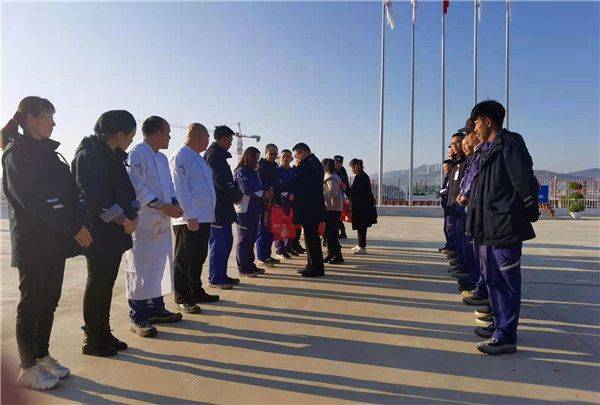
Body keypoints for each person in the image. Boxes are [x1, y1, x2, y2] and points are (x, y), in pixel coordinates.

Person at [1, 96, 92, 390]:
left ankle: (42, 355)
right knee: (32, 303)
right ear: (30, 119)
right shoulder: (16, 154)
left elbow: (72, 192)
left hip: (55, 241)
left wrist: (82, 221)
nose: (53, 123)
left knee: (49, 301)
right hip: (32, 243)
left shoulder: (52, 155)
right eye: (48, 117)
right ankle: (27, 367)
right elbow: (32, 201)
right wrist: (72, 226)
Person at [466, 100, 539, 355]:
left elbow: (524, 182)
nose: (475, 129)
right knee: (494, 281)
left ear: (488, 121)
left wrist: (528, 212)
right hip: (489, 228)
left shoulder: (509, 144)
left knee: (507, 283)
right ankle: (499, 325)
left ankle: (506, 336)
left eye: (477, 123)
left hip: (505, 227)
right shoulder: (488, 150)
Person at [72, 110, 139, 357]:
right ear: (120, 133)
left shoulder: (114, 156)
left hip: (117, 231)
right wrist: (123, 220)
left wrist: (134, 214)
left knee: (107, 283)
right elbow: (94, 199)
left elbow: (128, 191)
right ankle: (92, 337)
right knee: (97, 282)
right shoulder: (89, 155)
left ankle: (104, 332)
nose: (131, 139)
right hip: (99, 232)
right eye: (131, 135)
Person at [126, 116, 184, 338]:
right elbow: (136, 187)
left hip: (161, 220)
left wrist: (174, 203)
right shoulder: (137, 153)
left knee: (159, 264)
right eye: (167, 132)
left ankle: (156, 308)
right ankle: (138, 316)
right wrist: (161, 205)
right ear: (157, 133)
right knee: (140, 266)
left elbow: (168, 185)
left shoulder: (161, 158)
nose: (169, 137)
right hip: (144, 220)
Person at [169, 123, 219, 315]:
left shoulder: (198, 158)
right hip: (188, 218)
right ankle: (182, 297)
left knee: (198, 256)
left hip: (203, 217)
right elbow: (179, 188)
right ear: (199, 137)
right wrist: (189, 215)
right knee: (184, 258)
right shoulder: (181, 157)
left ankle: (195, 291)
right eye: (207, 137)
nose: (208, 141)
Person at [204, 125, 244, 289]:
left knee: (226, 242)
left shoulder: (218, 155)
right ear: (224, 138)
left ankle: (222, 275)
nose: (231, 143)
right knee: (219, 244)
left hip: (223, 207)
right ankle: (215, 278)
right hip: (217, 209)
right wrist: (236, 195)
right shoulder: (215, 156)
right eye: (230, 139)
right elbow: (222, 181)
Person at [234, 147, 273, 277]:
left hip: (255, 210)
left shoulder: (254, 173)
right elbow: (246, 189)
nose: (257, 161)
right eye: (255, 158)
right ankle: (243, 268)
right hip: (245, 211)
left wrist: (267, 190)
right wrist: (263, 193)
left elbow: (259, 187)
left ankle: (250, 264)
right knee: (244, 240)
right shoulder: (241, 171)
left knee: (251, 239)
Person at [290, 143, 326, 277]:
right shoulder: (313, 163)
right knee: (310, 238)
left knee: (312, 239)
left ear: (302, 152)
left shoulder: (309, 165)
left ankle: (316, 267)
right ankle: (312, 264)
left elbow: (296, 182)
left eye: (296, 156)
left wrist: (276, 188)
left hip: (310, 208)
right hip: (311, 207)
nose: (296, 159)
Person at [256, 144, 283, 267]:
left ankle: (267, 255)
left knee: (272, 229)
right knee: (264, 230)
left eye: (275, 154)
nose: (273, 156)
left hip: (275, 202)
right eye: (271, 154)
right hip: (265, 204)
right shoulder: (261, 167)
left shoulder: (275, 167)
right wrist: (268, 189)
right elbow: (260, 184)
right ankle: (262, 257)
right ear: (266, 153)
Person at [347, 159, 377, 254]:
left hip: (362, 207)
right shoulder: (362, 176)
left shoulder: (360, 178)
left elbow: (354, 191)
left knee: (362, 226)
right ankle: (360, 244)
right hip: (362, 206)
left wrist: (346, 189)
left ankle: (362, 246)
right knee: (360, 226)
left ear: (354, 167)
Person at [274, 149, 297, 258]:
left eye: (288, 156)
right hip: (282, 201)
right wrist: (288, 195)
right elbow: (277, 187)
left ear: (291, 158)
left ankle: (288, 247)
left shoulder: (293, 171)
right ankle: (280, 249)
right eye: (283, 156)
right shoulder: (278, 171)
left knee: (291, 225)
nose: (285, 158)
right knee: (281, 225)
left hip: (293, 202)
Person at [322, 159, 344, 264]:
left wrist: (321, 196)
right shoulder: (334, 177)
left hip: (332, 208)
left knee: (331, 234)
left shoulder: (330, 178)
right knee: (328, 233)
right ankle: (331, 253)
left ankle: (337, 255)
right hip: (334, 208)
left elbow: (333, 192)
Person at [438, 159, 454, 254]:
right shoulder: (447, 177)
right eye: (443, 168)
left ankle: (452, 247)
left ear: (451, 167)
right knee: (446, 228)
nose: (444, 169)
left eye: (446, 167)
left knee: (449, 227)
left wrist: (440, 192)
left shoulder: (451, 176)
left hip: (450, 203)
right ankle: (449, 245)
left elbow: (448, 189)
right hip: (446, 204)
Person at [333, 155, 350, 239]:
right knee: (336, 215)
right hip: (334, 196)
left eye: (340, 163)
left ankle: (342, 232)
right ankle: (340, 231)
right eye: (336, 163)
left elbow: (346, 184)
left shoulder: (343, 172)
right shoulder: (331, 171)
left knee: (338, 215)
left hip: (342, 196)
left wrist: (348, 196)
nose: (338, 165)